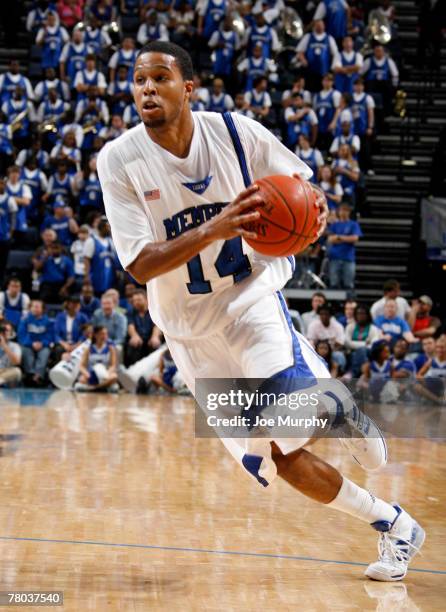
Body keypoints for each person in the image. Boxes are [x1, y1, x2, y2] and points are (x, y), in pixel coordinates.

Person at [98, 41, 424, 581]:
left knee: (288, 413)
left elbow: (304, 189)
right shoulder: (120, 159)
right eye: (138, 80)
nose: (147, 89)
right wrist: (218, 225)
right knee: (280, 458)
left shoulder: (235, 132)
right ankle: (394, 525)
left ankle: (334, 408)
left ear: (189, 88)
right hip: (188, 333)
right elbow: (140, 265)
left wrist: (311, 206)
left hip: (250, 300)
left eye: (159, 77)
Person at [17, 299, 53, 386]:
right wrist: (31, 343)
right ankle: (30, 375)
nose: (35, 309)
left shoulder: (48, 321)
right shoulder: (24, 320)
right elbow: (21, 335)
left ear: (42, 309)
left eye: (38, 307)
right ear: (29, 308)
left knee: (44, 353)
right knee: (26, 351)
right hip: (28, 344)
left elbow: (50, 336)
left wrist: (42, 343)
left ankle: (38, 376)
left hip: (42, 345)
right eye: (33, 306)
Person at [327, 202, 362, 291]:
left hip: (348, 257)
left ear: (349, 212)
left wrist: (339, 237)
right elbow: (330, 239)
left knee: (348, 284)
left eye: (346, 210)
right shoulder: (335, 224)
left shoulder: (353, 224)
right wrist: (346, 238)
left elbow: (355, 238)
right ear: (338, 211)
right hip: (334, 257)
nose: (343, 212)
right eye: (341, 210)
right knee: (333, 283)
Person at [75, 325, 119, 392]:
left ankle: (93, 388)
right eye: (102, 334)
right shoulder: (88, 349)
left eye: (106, 334)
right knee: (81, 379)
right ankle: (104, 386)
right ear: (96, 335)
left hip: (105, 374)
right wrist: (86, 374)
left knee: (114, 376)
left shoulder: (111, 349)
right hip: (92, 374)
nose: (104, 336)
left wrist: (107, 373)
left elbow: (113, 365)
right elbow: (81, 366)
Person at [125, 289, 162, 366]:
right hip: (139, 338)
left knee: (155, 344)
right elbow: (130, 326)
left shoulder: (154, 311)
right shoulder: (130, 312)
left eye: (139, 300)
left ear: (146, 299)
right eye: (134, 300)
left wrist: (155, 337)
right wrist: (134, 336)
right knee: (133, 344)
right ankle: (133, 372)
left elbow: (157, 325)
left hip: (150, 337)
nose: (136, 302)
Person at [307, 304, 347, 371]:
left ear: (331, 315)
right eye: (321, 314)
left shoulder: (338, 326)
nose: (324, 316)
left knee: (339, 355)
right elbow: (310, 341)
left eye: (326, 314)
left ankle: (340, 373)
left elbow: (341, 343)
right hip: (316, 351)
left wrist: (330, 346)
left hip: (333, 352)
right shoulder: (313, 325)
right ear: (319, 315)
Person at [345, 305, 382, 377]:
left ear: (368, 315)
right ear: (355, 315)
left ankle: (352, 373)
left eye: (362, 313)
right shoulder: (350, 327)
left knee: (361, 351)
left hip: (368, 354)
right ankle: (364, 374)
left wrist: (356, 345)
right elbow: (346, 343)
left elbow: (373, 345)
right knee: (357, 353)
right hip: (351, 353)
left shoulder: (373, 328)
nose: (360, 316)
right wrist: (365, 343)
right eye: (358, 313)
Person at [0, 320, 22, 387]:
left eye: (8, 331)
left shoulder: (15, 346)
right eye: (4, 330)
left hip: (6, 371)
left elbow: (17, 362)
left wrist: (4, 345)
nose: (6, 333)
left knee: (17, 371)